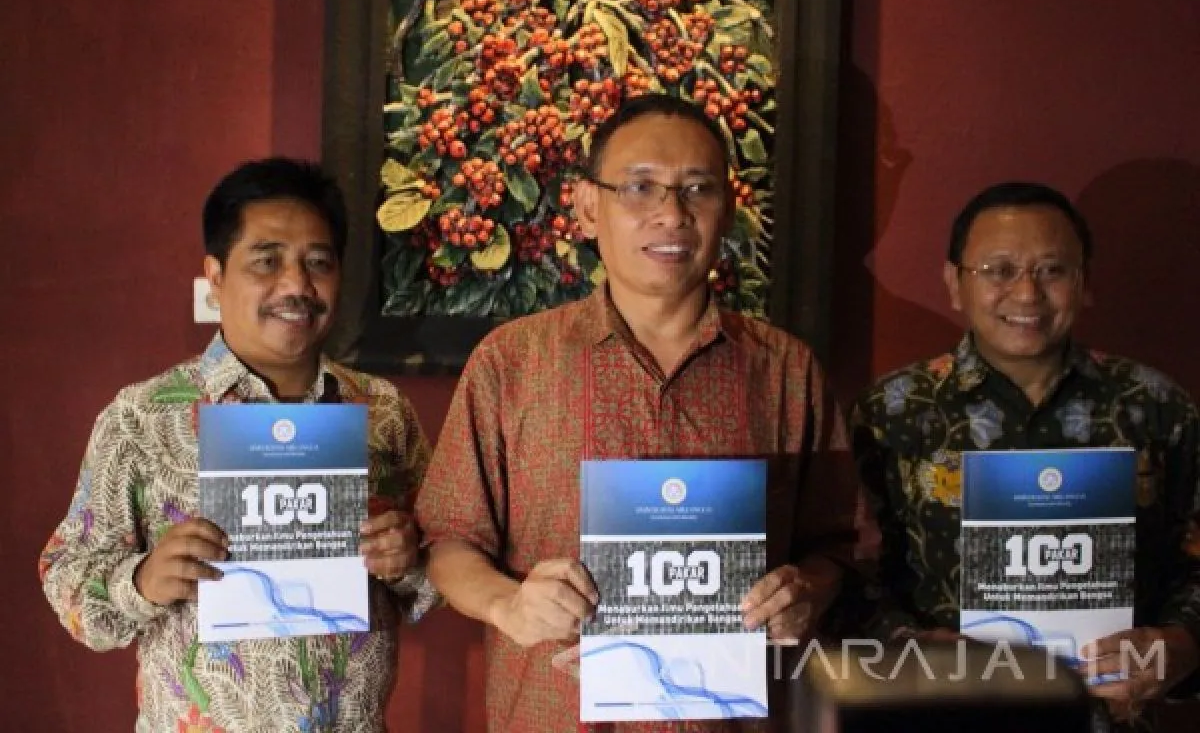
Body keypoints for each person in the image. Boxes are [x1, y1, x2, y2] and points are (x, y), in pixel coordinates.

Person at [415, 94, 860, 732]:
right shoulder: (511, 362)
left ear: (727, 208)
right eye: (639, 187)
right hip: (552, 717)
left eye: (698, 189)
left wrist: (805, 592)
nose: (671, 214)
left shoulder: (787, 370)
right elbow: (450, 541)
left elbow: (836, 546)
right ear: (587, 206)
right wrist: (509, 605)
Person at [39, 157, 436, 732]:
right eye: (267, 261)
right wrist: (142, 581)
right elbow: (67, 581)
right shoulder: (142, 417)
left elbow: (440, 574)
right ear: (217, 274)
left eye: (318, 262)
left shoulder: (383, 412)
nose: (296, 285)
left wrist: (409, 560)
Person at [852, 181, 1200, 727]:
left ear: (1083, 282)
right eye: (999, 270)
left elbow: (1194, 559)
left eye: (1052, 270)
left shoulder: (1154, 406)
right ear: (954, 284)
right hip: (941, 713)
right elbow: (850, 570)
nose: (1027, 293)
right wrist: (908, 642)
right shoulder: (893, 412)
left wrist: (1180, 644)